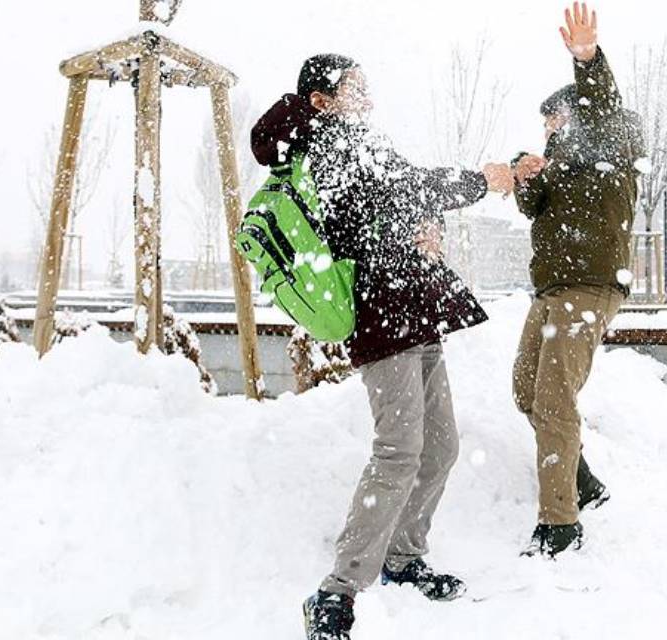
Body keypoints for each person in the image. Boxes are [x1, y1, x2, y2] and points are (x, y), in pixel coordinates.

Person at [251, 54, 516, 640]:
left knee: (441, 446)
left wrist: (431, 230)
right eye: (355, 89)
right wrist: (481, 181)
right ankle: (336, 591)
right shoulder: (323, 143)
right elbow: (405, 190)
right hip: (381, 314)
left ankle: (402, 557)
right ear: (322, 99)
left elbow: (404, 201)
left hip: (415, 309)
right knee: (399, 450)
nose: (368, 99)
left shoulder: (361, 141)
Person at [509, 2, 644, 558]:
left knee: (554, 398)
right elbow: (532, 208)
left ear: (578, 114)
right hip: (552, 290)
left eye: (555, 121)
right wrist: (524, 174)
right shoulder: (560, 165)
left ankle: (560, 524)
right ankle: (582, 479)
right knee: (526, 390)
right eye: (544, 126)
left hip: (590, 287)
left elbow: (604, 106)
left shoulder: (612, 142)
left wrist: (586, 59)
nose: (549, 131)